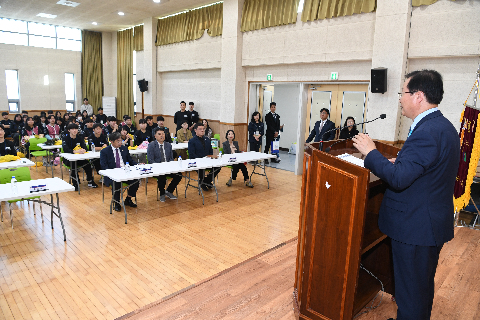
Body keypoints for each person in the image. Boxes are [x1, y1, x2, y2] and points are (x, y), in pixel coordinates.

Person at [352, 70, 460, 320]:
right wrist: (400, 160)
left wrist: (371, 153)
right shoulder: (440, 126)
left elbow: (399, 180)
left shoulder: (427, 132)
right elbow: (425, 168)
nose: (400, 98)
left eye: (403, 92)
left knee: (412, 291)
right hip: (425, 223)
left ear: (418, 96)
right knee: (418, 289)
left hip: (417, 227)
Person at [100, 132, 139, 211]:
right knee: (116, 183)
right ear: (111, 141)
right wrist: (113, 173)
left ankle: (128, 199)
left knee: (136, 180)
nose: (120, 143)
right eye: (118, 141)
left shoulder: (124, 148)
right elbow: (104, 166)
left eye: (121, 140)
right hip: (112, 174)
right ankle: (116, 202)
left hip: (125, 172)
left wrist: (138, 165)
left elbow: (130, 161)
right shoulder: (105, 151)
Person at [147, 128, 182, 202]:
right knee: (162, 176)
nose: (162, 136)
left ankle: (169, 191)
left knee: (179, 175)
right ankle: (162, 194)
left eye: (163, 134)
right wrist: (160, 167)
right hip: (157, 168)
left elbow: (171, 159)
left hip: (168, 167)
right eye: (159, 134)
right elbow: (150, 160)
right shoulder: (151, 145)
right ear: (155, 136)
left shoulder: (168, 145)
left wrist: (170, 166)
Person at [62, 123, 98, 191]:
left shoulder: (80, 138)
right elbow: (65, 149)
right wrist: (74, 151)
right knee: (73, 165)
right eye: (72, 129)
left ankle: (90, 181)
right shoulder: (65, 138)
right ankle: (75, 183)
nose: (74, 131)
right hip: (68, 159)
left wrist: (83, 150)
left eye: (76, 129)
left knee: (87, 164)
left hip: (79, 158)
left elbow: (85, 147)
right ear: (69, 130)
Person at [188, 122, 221, 191]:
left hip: (208, 160)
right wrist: (201, 160)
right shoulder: (192, 141)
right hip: (197, 162)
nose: (202, 130)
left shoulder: (207, 139)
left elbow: (210, 152)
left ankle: (205, 181)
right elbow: (192, 154)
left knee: (218, 167)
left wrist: (210, 158)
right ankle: (204, 182)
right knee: (201, 169)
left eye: (203, 129)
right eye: (200, 129)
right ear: (195, 130)